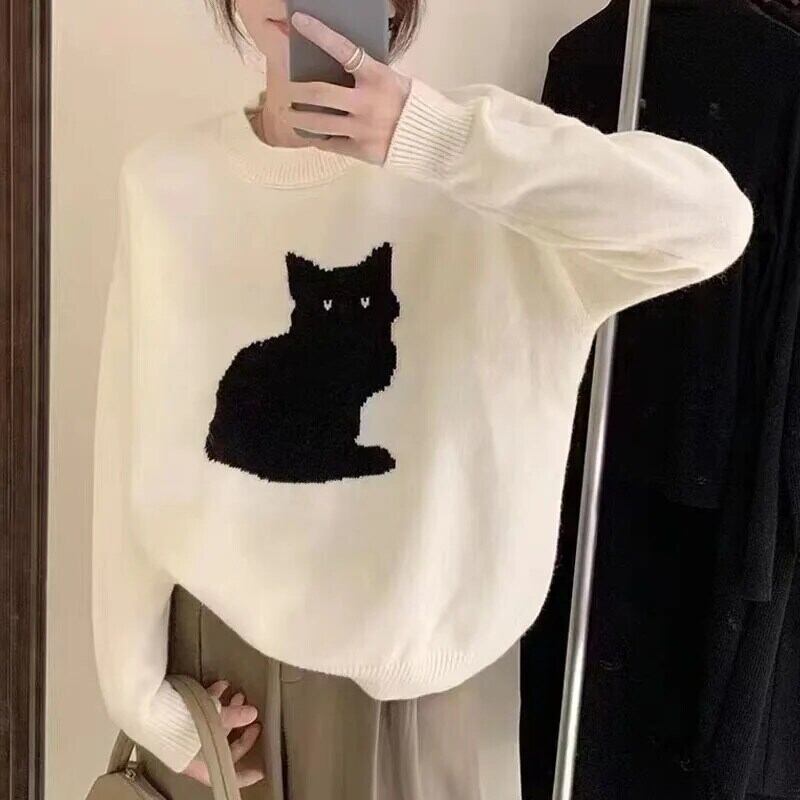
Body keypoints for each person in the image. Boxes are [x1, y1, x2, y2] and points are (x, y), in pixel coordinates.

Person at [90, 0, 755, 797]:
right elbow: (132, 449)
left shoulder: (482, 161)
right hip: (220, 681)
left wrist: (435, 141)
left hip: (418, 684)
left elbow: (713, 223)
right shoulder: (167, 181)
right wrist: (138, 695)